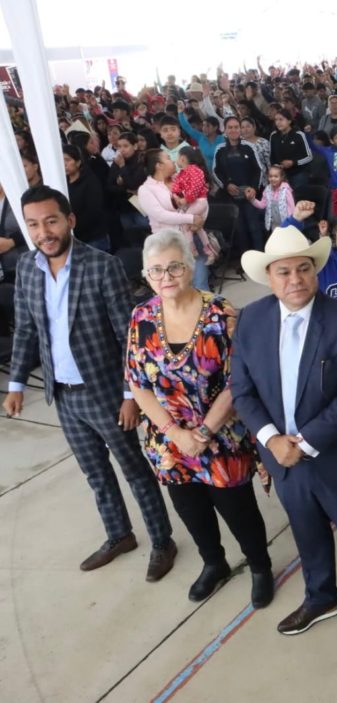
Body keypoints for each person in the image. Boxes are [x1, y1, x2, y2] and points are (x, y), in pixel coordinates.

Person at [230, 225, 337, 644]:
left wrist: (301, 444)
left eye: (303, 269)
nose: (295, 279)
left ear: (315, 271)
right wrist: (273, 441)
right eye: (283, 272)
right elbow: (242, 391)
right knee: (306, 530)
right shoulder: (251, 319)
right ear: (269, 278)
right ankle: (320, 597)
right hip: (283, 459)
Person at [3, 186, 176, 582]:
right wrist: (15, 384)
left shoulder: (101, 266)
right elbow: (26, 329)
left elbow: (127, 336)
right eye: (33, 225)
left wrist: (130, 396)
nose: (44, 232)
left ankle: (162, 541)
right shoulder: (27, 267)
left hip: (107, 394)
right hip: (65, 396)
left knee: (134, 470)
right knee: (95, 473)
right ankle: (119, 535)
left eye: (51, 221)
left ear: (70, 220)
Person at [126, 230, 273, 607]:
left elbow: (239, 381)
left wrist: (204, 431)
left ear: (190, 268)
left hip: (221, 438)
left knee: (239, 510)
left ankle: (260, 566)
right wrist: (176, 433)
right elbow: (138, 383)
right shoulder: (141, 317)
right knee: (192, 511)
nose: (166, 277)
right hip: (171, 444)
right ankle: (214, 563)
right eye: (156, 270)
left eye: (174, 267)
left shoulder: (221, 314)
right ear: (146, 275)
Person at [137, 149, 209, 290]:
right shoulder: (145, 189)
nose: (173, 160)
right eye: (168, 158)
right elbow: (161, 215)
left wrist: (201, 220)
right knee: (180, 287)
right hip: (168, 243)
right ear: (159, 165)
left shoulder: (180, 177)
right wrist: (191, 218)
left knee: (201, 285)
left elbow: (202, 199)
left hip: (191, 235)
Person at [212, 116, 265, 252]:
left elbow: (258, 169)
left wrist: (253, 188)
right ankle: (244, 257)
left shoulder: (249, 147)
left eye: (236, 127)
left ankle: (260, 254)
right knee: (239, 228)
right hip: (231, 196)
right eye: (230, 127)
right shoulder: (220, 149)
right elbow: (216, 171)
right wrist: (226, 185)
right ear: (225, 130)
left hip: (249, 195)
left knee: (254, 226)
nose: (233, 130)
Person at [172, 147, 218, 267]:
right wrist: (176, 196)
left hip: (199, 202)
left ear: (182, 158)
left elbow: (195, 188)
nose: (175, 160)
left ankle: (192, 250)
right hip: (192, 203)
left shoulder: (195, 171)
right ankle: (210, 252)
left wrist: (185, 199)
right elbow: (176, 188)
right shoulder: (181, 173)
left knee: (184, 223)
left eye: (177, 157)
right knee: (197, 228)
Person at [62, 144, 109, 251]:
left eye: (67, 160)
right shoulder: (63, 183)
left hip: (93, 238)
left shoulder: (90, 181)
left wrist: (71, 226)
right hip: (73, 237)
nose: (64, 164)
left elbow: (93, 212)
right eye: (61, 160)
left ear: (78, 162)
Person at [269, 111, 313, 190]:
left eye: (281, 119)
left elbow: (309, 157)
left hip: (298, 174)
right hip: (280, 175)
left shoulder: (299, 135)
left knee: (298, 195)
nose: (278, 122)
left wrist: (293, 162)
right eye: (276, 120)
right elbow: (272, 156)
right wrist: (276, 166)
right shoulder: (273, 135)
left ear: (289, 121)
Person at [247, 164, 295, 234]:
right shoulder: (267, 190)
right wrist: (252, 199)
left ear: (281, 177)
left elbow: (292, 207)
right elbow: (262, 205)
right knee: (276, 239)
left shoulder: (285, 190)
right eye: (270, 176)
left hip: (287, 223)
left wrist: (291, 222)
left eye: (276, 176)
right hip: (274, 224)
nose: (273, 179)